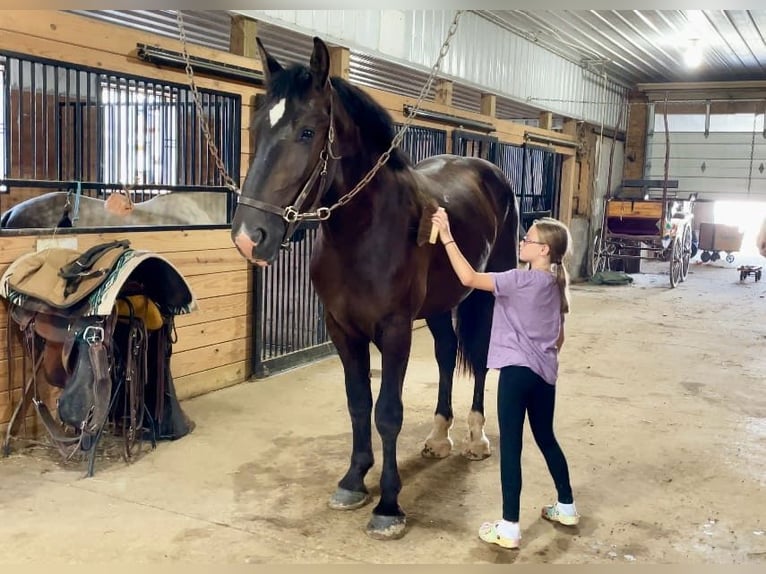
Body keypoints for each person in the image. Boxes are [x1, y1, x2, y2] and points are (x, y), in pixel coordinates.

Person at [430, 207, 579, 550]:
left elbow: (468, 279)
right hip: (545, 375)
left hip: (515, 375)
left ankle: (509, 527)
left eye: (530, 239)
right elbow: (559, 339)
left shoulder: (517, 280)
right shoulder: (555, 285)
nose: (523, 241)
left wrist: (448, 236)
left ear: (543, 250)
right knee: (546, 439)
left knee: (510, 448)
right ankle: (566, 507)